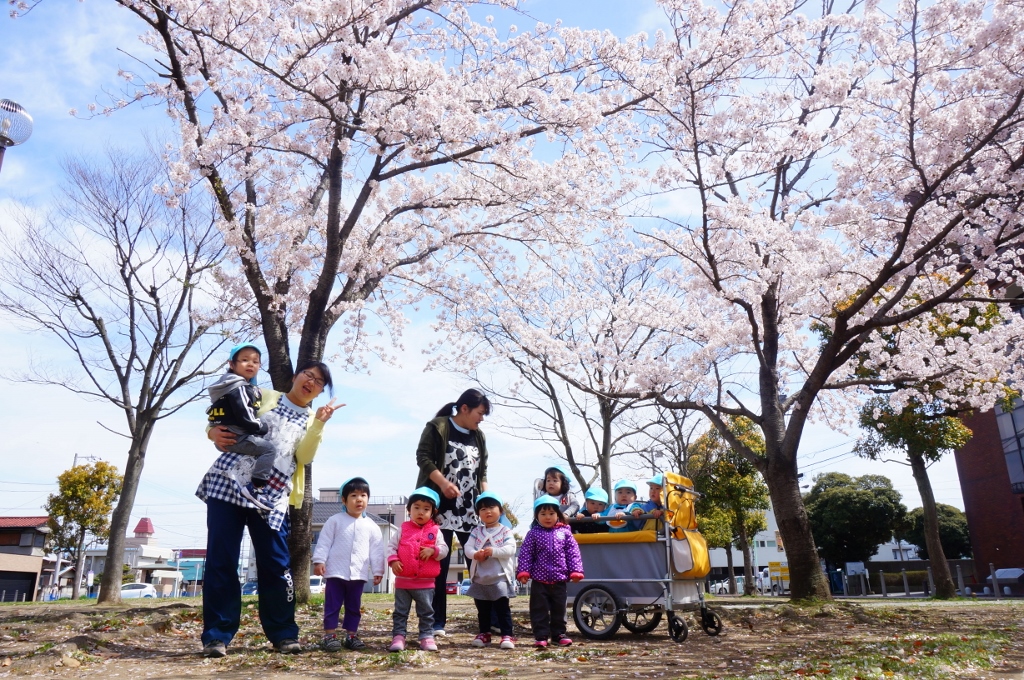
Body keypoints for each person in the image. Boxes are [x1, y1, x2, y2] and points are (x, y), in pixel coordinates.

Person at [198, 360, 340, 658]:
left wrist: (320, 424)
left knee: (276, 565)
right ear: (295, 376)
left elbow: (304, 456)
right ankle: (217, 636)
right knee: (221, 561)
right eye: (308, 375)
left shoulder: (314, 418)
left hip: (272, 496)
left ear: (320, 391)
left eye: (318, 382)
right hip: (229, 482)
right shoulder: (262, 396)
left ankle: (283, 633)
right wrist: (212, 432)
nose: (311, 382)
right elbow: (222, 410)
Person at [414, 388, 491, 637]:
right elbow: (424, 458)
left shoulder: (479, 436)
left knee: (479, 564)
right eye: (480, 413)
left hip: (470, 509)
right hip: (440, 506)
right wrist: (444, 484)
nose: (481, 419)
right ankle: (436, 622)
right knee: (439, 564)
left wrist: (486, 501)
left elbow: (483, 472)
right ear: (465, 409)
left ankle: (489, 621)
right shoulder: (438, 426)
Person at [312, 476, 385, 652]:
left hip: (358, 574)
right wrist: (319, 561)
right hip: (335, 572)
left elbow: (377, 550)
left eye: (363, 495)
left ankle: (351, 635)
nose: (359, 499)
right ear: (344, 500)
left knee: (354, 606)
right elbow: (324, 542)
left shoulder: (372, 526)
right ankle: (330, 635)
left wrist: (378, 570)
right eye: (353, 495)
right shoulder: (335, 520)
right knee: (332, 604)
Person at [206, 343, 278, 511]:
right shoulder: (239, 388)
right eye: (245, 360)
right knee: (268, 450)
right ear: (232, 364)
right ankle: (256, 487)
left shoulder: (226, 385)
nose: (251, 364)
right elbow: (245, 416)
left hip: (228, 434)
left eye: (255, 361)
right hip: (237, 436)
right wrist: (262, 427)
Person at [516, 495, 584, 648]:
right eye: (543, 514)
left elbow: (573, 552)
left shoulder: (565, 533)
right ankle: (540, 635)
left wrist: (575, 570)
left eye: (551, 514)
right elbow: (526, 553)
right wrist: (524, 571)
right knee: (538, 609)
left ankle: (559, 634)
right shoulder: (533, 533)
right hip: (539, 581)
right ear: (537, 516)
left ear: (558, 515)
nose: (547, 517)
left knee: (559, 608)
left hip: (559, 579)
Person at [387, 487, 449, 652]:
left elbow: (444, 550)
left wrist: (433, 551)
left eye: (426, 509)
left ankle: (426, 636)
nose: (421, 512)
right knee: (400, 611)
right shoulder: (403, 529)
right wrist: (393, 561)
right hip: (403, 582)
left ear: (433, 512)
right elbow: (391, 547)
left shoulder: (436, 531)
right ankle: (399, 636)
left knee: (426, 612)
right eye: (416, 507)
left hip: (425, 583)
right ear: (409, 510)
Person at [463, 491, 517, 650]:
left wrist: (493, 551)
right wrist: (475, 554)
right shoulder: (476, 531)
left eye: (492, 507)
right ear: (478, 513)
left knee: (502, 609)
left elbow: (510, 549)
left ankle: (507, 634)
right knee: (482, 609)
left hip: (499, 578)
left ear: (500, 511)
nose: (487, 511)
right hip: (480, 578)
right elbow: (467, 548)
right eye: (483, 509)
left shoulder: (505, 531)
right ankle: (484, 633)